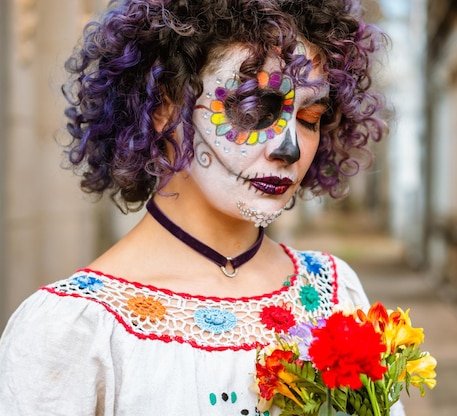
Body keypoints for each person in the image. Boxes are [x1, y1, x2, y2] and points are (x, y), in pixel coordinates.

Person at [0, 0, 402, 414]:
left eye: (310, 118)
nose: (290, 148)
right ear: (163, 107)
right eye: (252, 108)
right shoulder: (74, 331)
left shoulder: (334, 293)